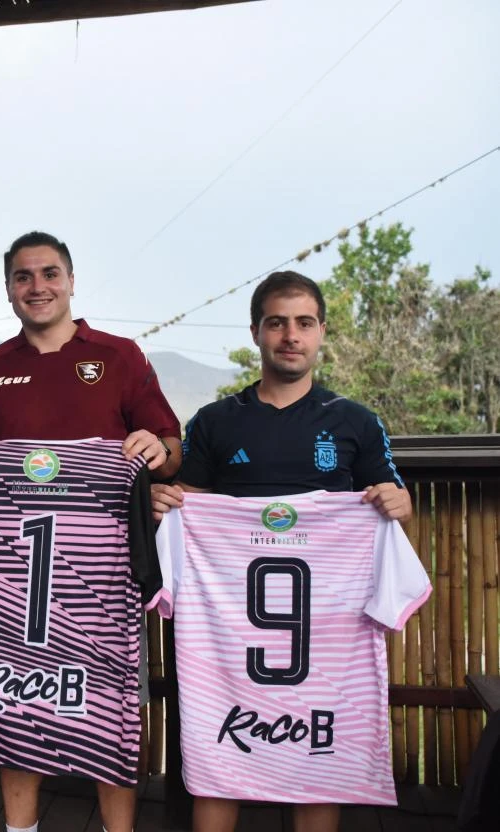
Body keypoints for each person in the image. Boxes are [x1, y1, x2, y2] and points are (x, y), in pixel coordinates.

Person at [151, 270, 411, 832]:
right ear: (256, 332)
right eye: (277, 323)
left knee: (319, 760)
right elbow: (188, 503)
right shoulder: (216, 421)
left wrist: (397, 500)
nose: (290, 335)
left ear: (321, 333)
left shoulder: (357, 422)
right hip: (229, 635)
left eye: (304, 323)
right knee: (220, 754)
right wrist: (169, 505)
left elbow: (396, 501)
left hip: (326, 631)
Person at [0, 231, 182, 832]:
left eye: (49, 273)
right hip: (16, 573)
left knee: (112, 708)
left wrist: (156, 449)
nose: (38, 287)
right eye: (24, 277)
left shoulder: (118, 355)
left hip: (104, 573)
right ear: (9, 290)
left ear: (72, 280)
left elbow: (170, 444)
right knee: (15, 706)